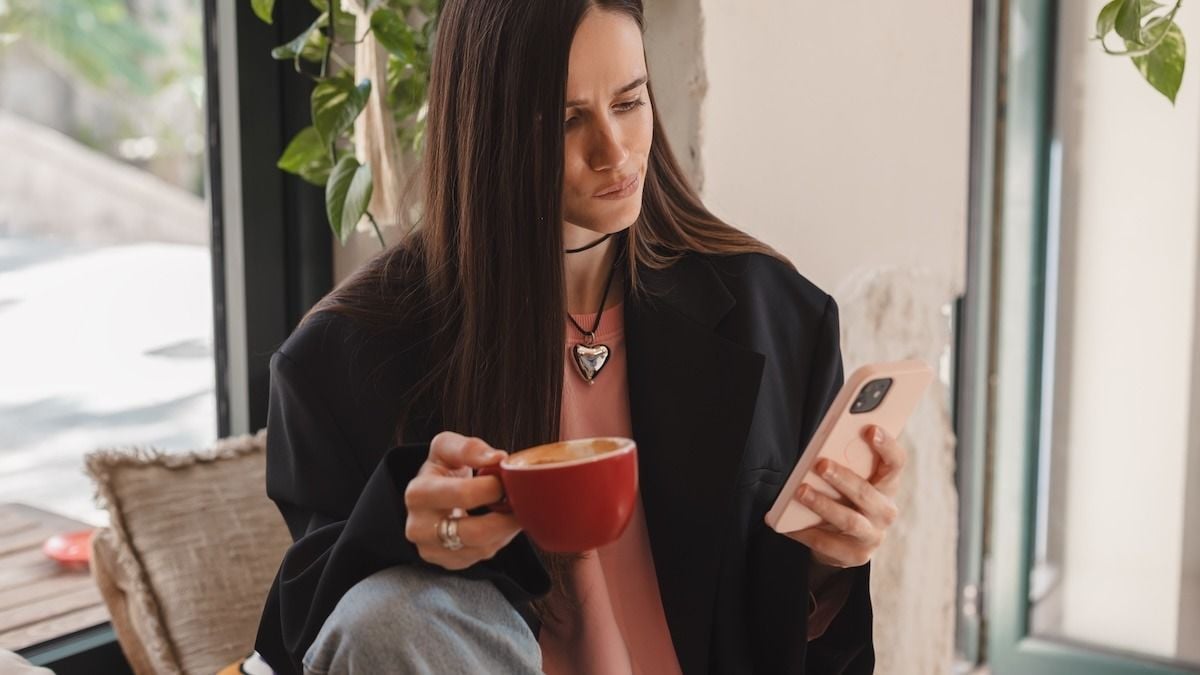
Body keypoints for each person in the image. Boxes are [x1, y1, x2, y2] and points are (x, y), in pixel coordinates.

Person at [253, 0, 909, 673]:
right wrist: (400, 527)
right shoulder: (341, 362)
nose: (614, 151)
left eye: (629, 102)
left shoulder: (775, 316)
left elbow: (813, 650)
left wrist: (829, 562)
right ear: (486, 128)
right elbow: (303, 635)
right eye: (568, 121)